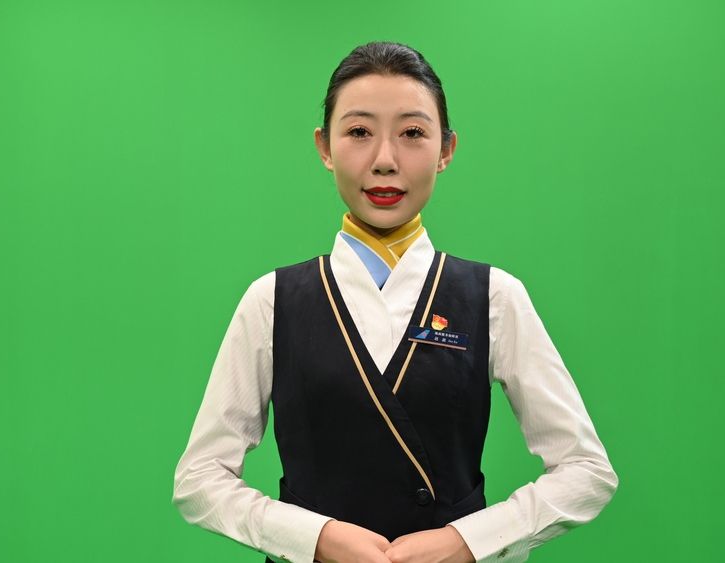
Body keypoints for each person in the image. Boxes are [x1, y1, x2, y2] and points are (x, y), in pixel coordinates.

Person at [173, 42, 617, 563]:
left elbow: (587, 471)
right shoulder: (272, 301)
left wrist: (467, 541)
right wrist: (313, 538)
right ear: (324, 147)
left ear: (447, 149)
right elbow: (199, 479)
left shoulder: (494, 296)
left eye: (412, 133)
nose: (385, 161)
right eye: (359, 132)